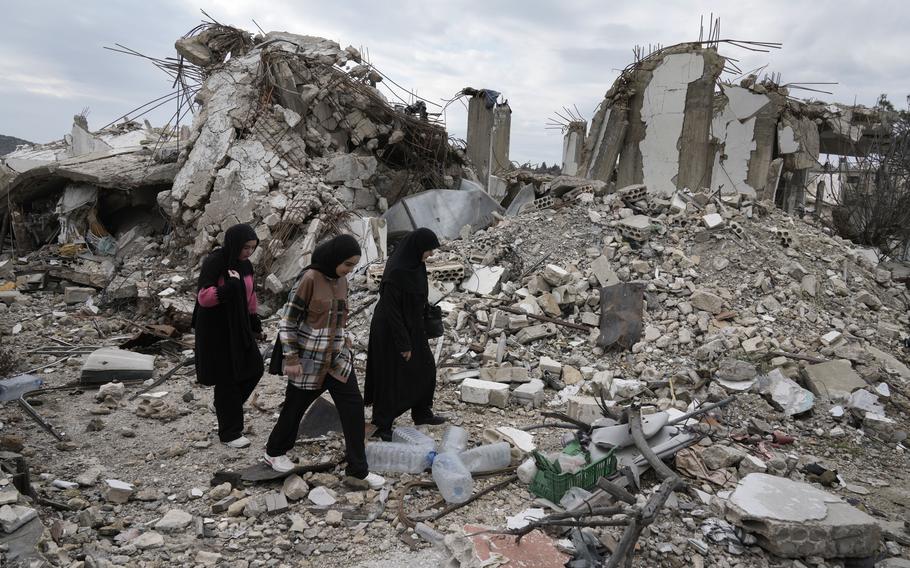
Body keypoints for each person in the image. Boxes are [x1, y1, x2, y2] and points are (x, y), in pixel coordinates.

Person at [263, 234, 385, 490]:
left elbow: (339, 317)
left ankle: (358, 471)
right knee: (294, 408)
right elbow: (287, 322)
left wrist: (346, 338)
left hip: (337, 360)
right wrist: (292, 358)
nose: (350, 270)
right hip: (309, 361)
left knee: (353, 411)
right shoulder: (309, 279)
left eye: (353, 265)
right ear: (334, 258)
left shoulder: (342, 282)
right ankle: (274, 452)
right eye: (348, 264)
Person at [365, 227, 443, 441]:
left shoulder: (415, 266)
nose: (430, 255)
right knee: (390, 376)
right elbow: (392, 311)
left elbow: (417, 297)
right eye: (428, 250)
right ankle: (382, 424)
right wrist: (404, 345)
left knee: (426, 367)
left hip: (412, 326)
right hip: (391, 330)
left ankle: (422, 412)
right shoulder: (397, 270)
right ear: (417, 247)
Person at [193, 223, 265, 449]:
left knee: (255, 368)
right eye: (245, 247)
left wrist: (255, 322)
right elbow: (204, 298)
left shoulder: (246, 266)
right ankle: (230, 433)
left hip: (239, 325)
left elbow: (250, 296)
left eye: (253, 248)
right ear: (234, 244)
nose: (249, 252)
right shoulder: (215, 262)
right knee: (228, 379)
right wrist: (230, 287)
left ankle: (224, 406)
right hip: (217, 330)